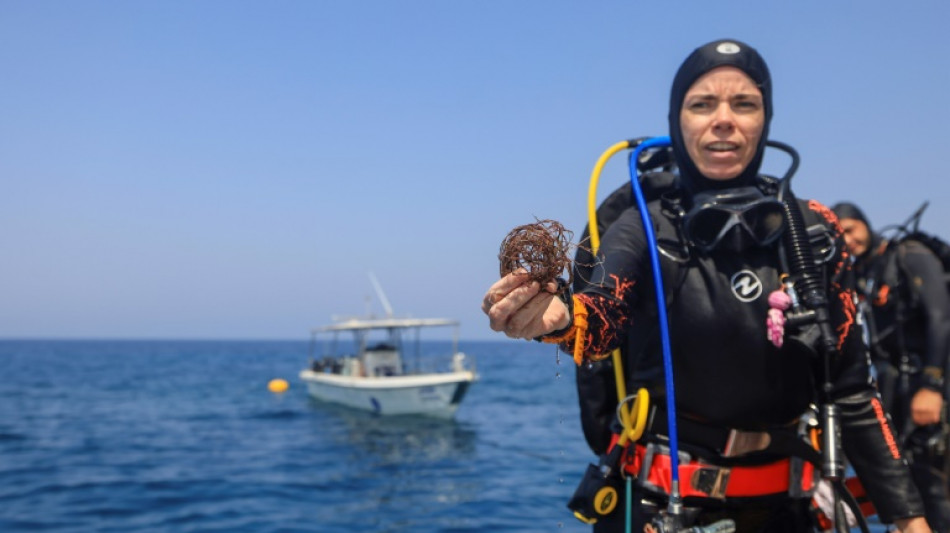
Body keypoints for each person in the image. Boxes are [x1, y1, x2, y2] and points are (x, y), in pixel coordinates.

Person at [482, 39, 930, 532]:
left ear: (765, 120)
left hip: (790, 509)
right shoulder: (641, 226)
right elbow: (600, 316)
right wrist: (561, 320)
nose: (723, 119)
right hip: (664, 507)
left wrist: (910, 520)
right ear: (678, 122)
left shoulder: (813, 232)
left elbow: (852, 391)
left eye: (744, 103)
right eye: (702, 104)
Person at [832, 201, 950, 531]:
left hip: (932, 384)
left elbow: (941, 320)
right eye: (840, 236)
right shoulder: (862, 272)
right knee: (915, 475)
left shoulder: (910, 255)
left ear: (865, 223)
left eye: (851, 230)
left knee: (935, 480)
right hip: (899, 388)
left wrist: (931, 386)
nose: (849, 240)